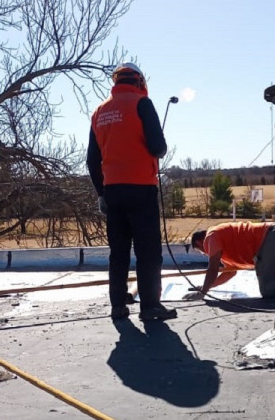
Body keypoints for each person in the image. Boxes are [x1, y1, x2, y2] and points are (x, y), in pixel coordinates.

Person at [87, 62, 177, 322]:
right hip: (141, 188)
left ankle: (118, 306)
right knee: (148, 251)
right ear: (139, 81)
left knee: (119, 252)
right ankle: (150, 307)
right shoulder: (141, 103)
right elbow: (158, 147)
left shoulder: (99, 112)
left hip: (112, 192)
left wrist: (101, 193)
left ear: (116, 82)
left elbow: (92, 160)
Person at [184, 221, 275, 300]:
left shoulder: (211, 236)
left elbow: (213, 268)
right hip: (271, 235)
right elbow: (230, 272)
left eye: (200, 251)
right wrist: (206, 287)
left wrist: (202, 293)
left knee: (269, 291)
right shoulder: (222, 243)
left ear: (199, 243)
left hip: (268, 239)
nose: (204, 254)